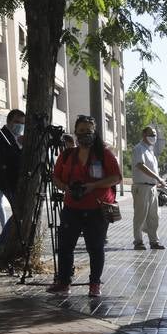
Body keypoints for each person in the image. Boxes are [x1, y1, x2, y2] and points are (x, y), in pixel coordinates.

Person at [49, 115, 119, 297]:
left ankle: (94, 284)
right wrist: (65, 187)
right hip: (72, 207)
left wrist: (93, 186)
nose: (84, 135)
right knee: (65, 246)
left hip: (97, 207)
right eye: (81, 131)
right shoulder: (66, 155)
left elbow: (116, 177)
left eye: (88, 131)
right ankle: (64, 283)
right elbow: (55, 177)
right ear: (75, 132)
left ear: (95, 132)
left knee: (95, 247)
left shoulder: (104, 154)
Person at [0, 108, 24, 253]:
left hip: (14, 181)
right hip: (7, 180)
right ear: (9, 121)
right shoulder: (1, 135)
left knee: (19, 211)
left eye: (22, 123)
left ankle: (4, 241)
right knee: (18, 211)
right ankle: (2, 241)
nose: (19, 125)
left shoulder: (16, 137)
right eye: (17, 122)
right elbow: (8, 158)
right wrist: (21, 148)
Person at [130, 125, 165, 250]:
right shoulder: (139, 149)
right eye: (151, 134)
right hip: (142, 187)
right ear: (144, 135)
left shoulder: (150, 151)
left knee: (153, 215)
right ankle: (138, 241)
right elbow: (140, 166)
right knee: (140, 215)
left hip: (152, 187)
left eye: (155, 135)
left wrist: (157, 182)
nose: (154, 137)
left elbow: (152, 169)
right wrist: (158, 178)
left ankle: (154, 241)